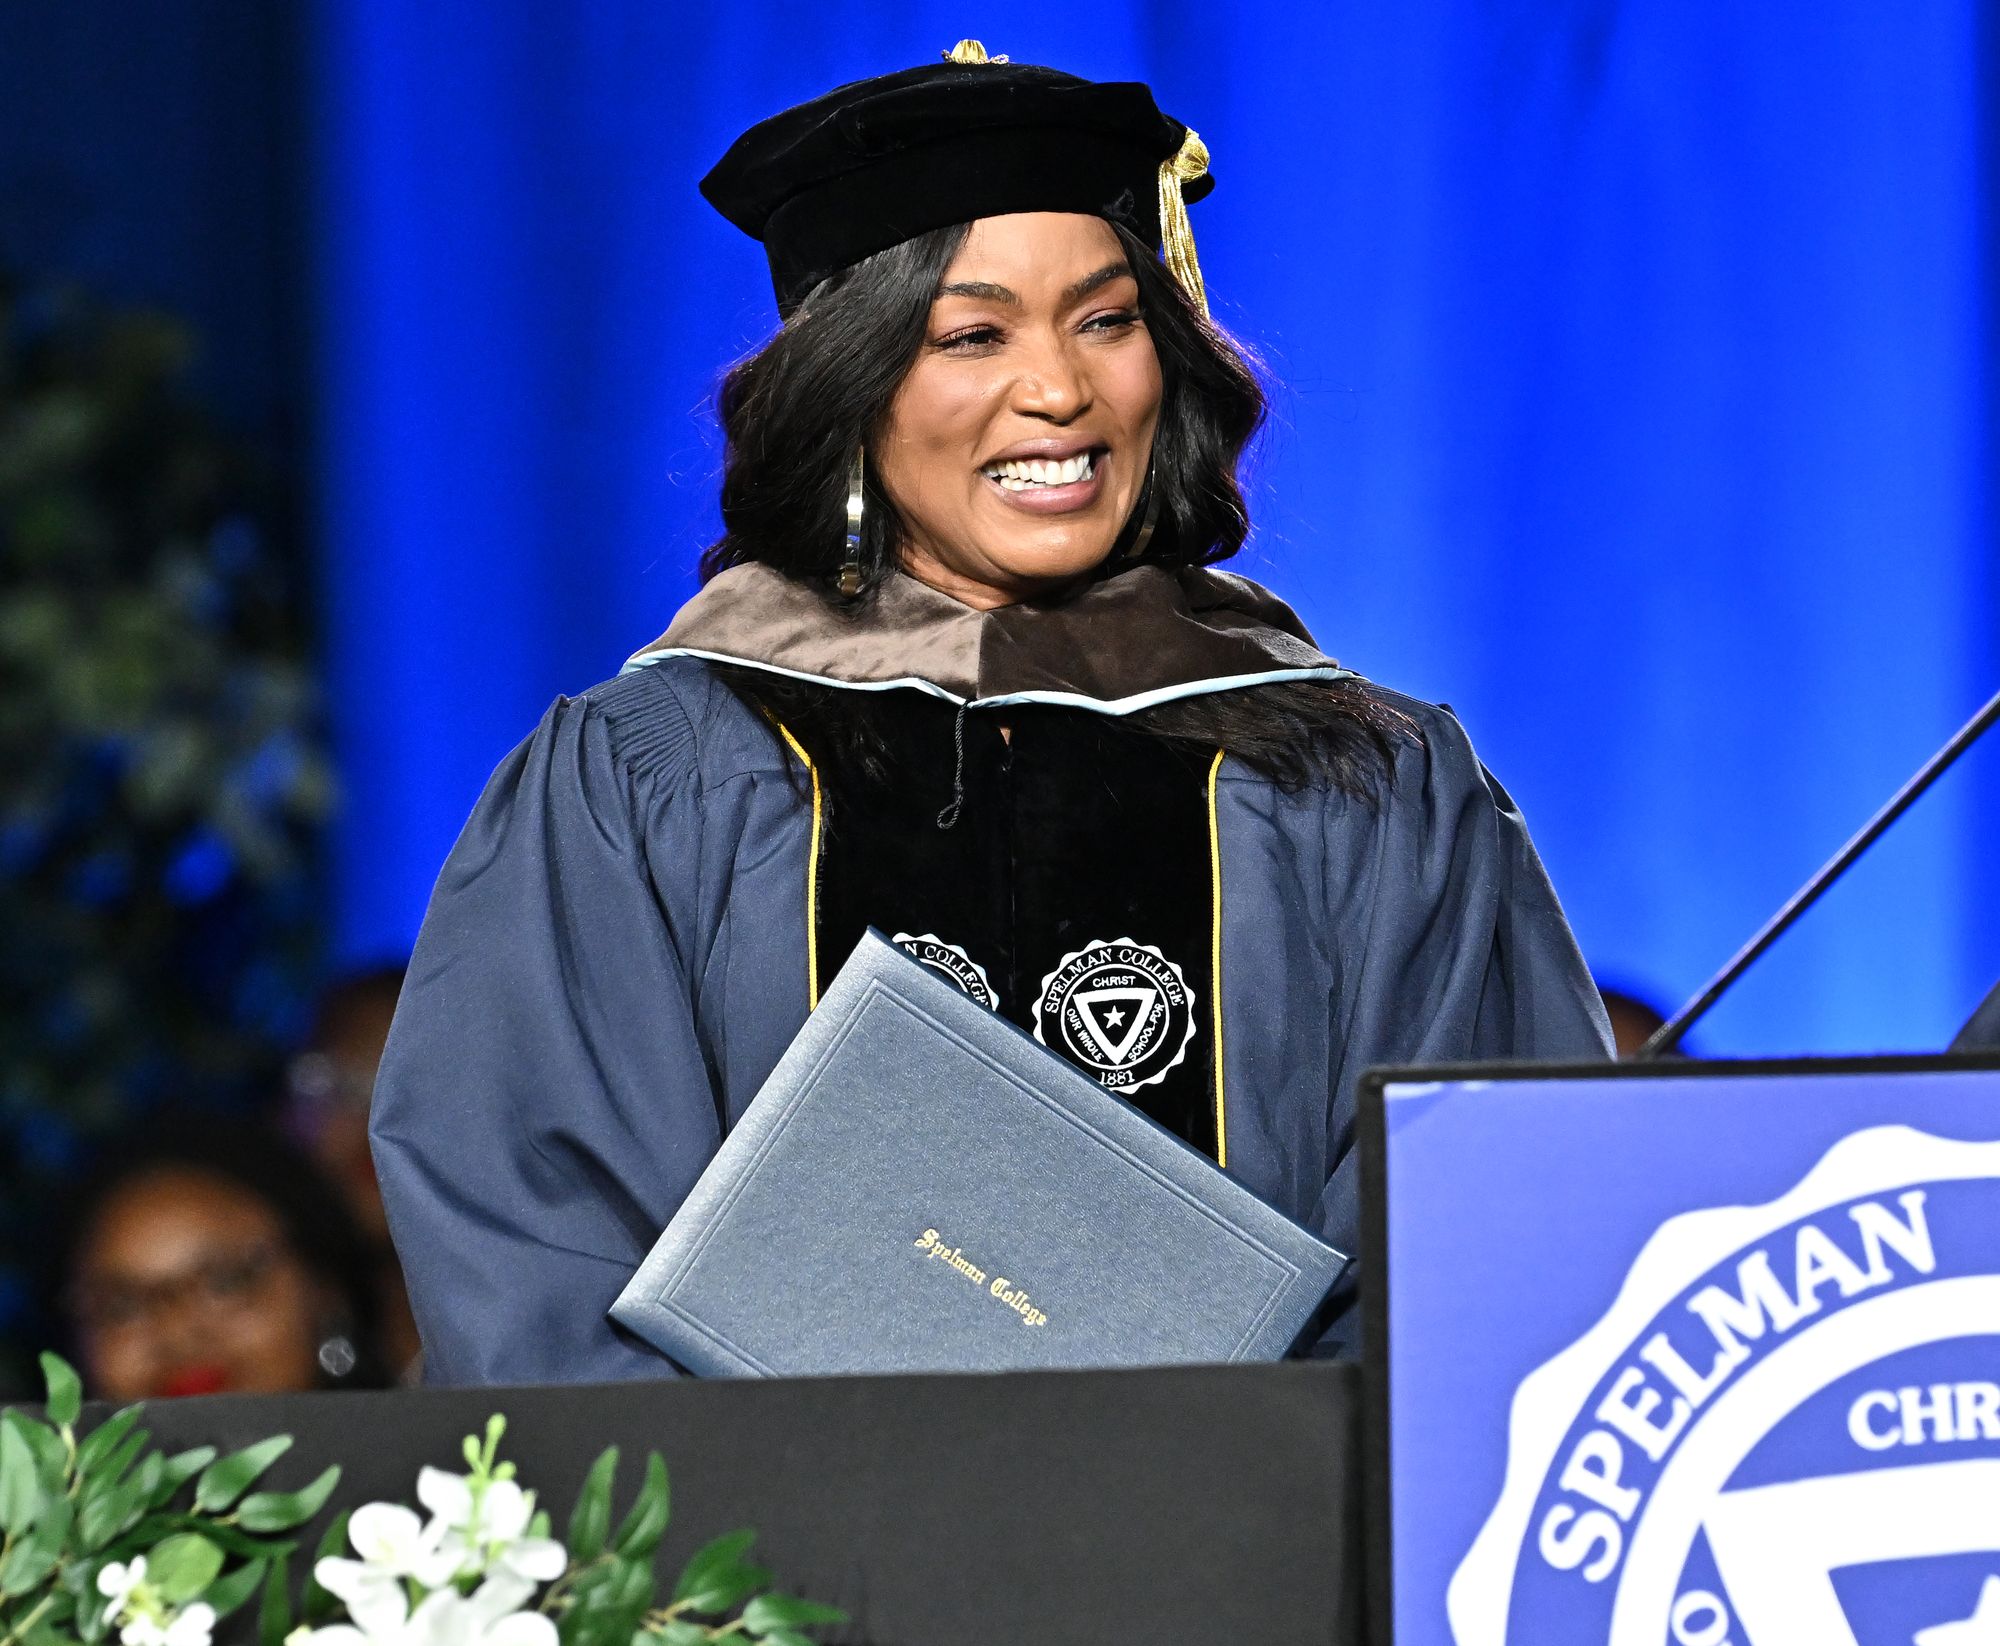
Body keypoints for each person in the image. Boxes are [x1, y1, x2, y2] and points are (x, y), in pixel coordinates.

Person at [373, 42, 1612, 1385]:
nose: (1061, 392)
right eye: (972, 335)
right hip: (778, 1579)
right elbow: (540, 1262)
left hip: (1268, 1567)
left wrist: (1257, 1523)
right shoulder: (651, 777)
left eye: (1106, 318)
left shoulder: (1365, 780)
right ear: (852, 389)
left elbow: (1483, 1249)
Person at [53, 1115, 390, 1400]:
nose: (177, 1333)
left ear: (326, 1291)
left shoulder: (428, 1464)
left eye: (224, 1282)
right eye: (120, 1307)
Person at [285, 964, 424, 1379]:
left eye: (412, 1089)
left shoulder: (586, 1332)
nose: (374, 1122)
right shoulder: (275, 1333)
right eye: (339, 1087)